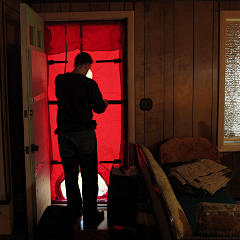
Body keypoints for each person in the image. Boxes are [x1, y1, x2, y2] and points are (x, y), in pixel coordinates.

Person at [55, 52, 108, 226]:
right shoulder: (89, 84)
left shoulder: (60, 80)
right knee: (89, 174)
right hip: (84, 134)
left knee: (70, 175)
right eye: (89, 67)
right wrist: (105, 103)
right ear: (85, 65)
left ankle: (74, 211)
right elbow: (99, 108)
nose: (88, 71)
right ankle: (90, 213)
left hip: (64, 134)